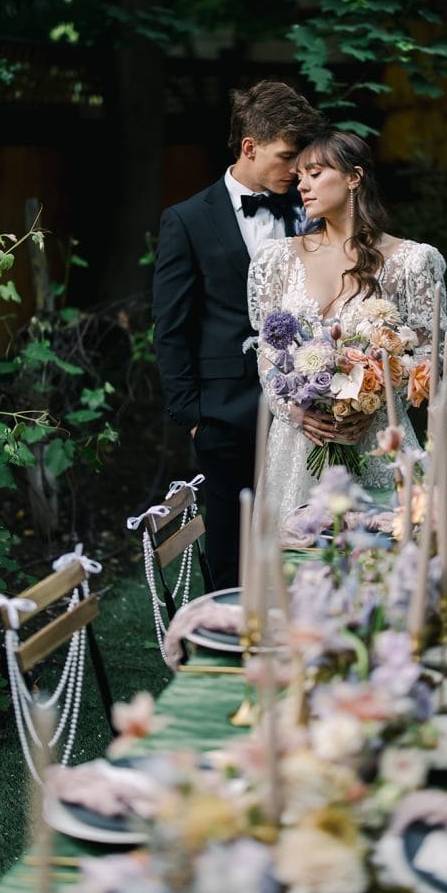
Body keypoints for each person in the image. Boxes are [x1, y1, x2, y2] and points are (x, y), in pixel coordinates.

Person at [152, 80, 327, 590]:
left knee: (305, 547)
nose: (297, 171)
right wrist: (192, 418)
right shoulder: (186, 220)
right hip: (225, 416)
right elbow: (171, 327)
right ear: (250, 147)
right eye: (288, 156)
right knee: (232, 560)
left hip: (307, 415)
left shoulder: (310, 211)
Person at [247, 129, 447, 521]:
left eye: (316, 173)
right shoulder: (276, 260)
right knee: (295, 566)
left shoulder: (411, 262)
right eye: (300, 176)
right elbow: (267, 352)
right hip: (297, 447)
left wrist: (377, 403)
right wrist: (292, 409)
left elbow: (430, 357)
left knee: (383, 563)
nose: (302, 184)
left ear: (354, 176)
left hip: (377, 441)